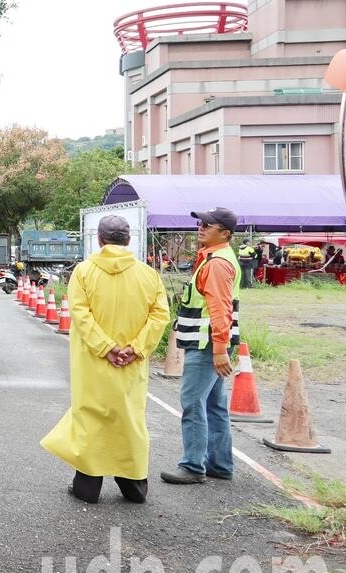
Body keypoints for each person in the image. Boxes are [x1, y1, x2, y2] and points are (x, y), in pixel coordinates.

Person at [42, 215, 170, 504]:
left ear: (99, 240)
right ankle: (134, 488)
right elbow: (160, 315)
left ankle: (87, 488)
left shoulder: (84, 272)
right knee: (130, 419)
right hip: (132, 364)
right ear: (129, 240)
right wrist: (135, 348)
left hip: (93, 363)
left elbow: (80, 314)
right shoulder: (149, 275)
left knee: (91, 418)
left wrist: (106, 348)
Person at [162, 207, 240, 485]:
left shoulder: (218, 263)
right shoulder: (213, 258)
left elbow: (221, 309)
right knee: (214, 405)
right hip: (209, 343)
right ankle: (219, 464)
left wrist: (219, 350)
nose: (201, 227)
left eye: (209, 224)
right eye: (201, 223)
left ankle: (193, 465)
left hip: (207, 345)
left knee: (193, 403)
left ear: (225, 233)